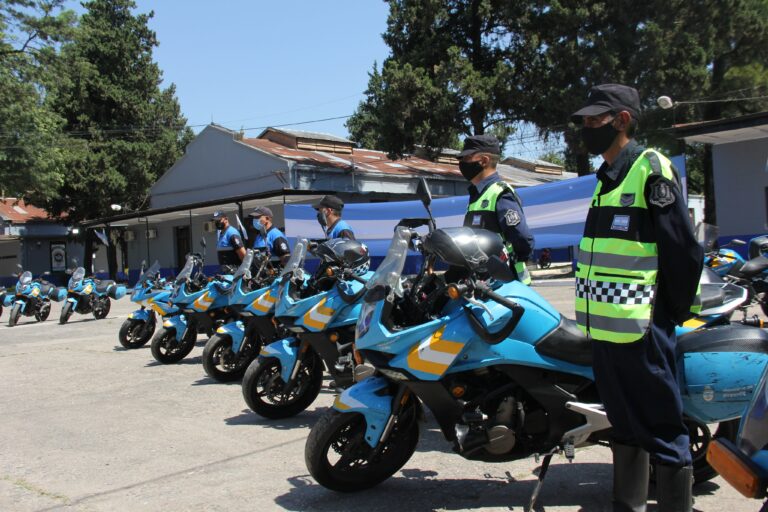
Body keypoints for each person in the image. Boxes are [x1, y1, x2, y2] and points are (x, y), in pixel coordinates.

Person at [571, 83, 703, 512]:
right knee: (624, 428)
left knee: (663, 430)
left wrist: (667, 314)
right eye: (586, 121)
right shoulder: (604, 179)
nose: (587, 128)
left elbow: (682, 251)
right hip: (605, 332)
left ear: (622, 120)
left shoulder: (651, 168)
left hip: (642, 329)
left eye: (595, 120)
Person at [459, 134, 534, 284]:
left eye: (467, 159)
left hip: (506, 283)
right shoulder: (478, 195)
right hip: (485, 281)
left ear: (484, 160)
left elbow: (522, 239)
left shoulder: (500, 193)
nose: (461, 163)